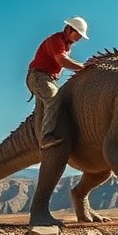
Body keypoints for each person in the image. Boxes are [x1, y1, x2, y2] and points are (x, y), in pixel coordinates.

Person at [27, 16, 89, 149]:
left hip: (47, 78)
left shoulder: (66, 45)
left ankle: (41, 141)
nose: (79, 38)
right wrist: (83, 67)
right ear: (69, 29)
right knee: (54, 98)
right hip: (39, 76)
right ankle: (46, 137)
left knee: (41, 109)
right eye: (78, 34)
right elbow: (62, 61)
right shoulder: (56, 40)